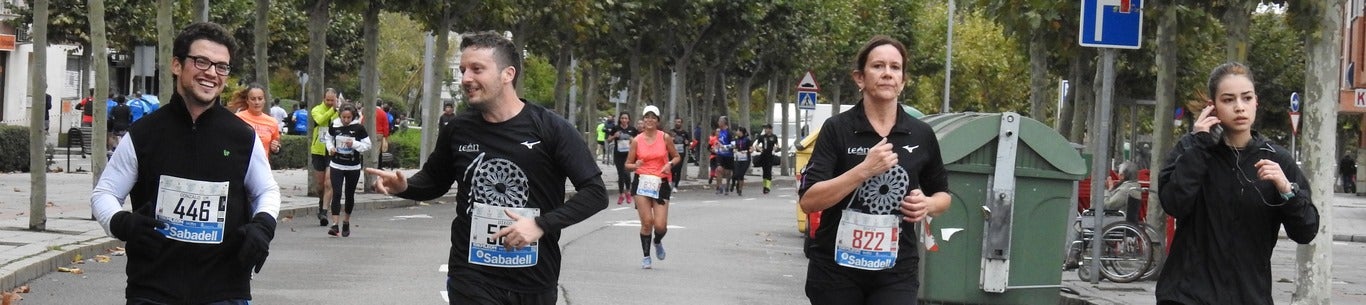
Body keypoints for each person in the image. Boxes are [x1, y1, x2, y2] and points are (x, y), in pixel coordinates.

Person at [364, 31, 606, 305]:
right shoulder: (459, 129)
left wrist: (540, 225)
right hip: (472, 275)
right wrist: (406, 186)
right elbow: (435, 180)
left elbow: (595, 193)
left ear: (507, 74)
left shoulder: (550, 128)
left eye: (477, 69)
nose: (466, 78)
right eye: (464, 69)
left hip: (534, 279)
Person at [90, 22, 280, 304]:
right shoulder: (144, 133)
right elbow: (104, 194)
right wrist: (121, 223)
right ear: (177, 65)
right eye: (201, 61)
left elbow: (267, 190)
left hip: (225, 291)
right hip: (153, 289)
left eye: (221, 66)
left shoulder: (241, 136)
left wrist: (263, 225)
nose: (212, 73)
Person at [797, 35, 951, 304]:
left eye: (895, 67)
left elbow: (943, 196)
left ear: (903, 80)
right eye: (878, 66)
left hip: (896, 270)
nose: (887, 74)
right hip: (836, 269)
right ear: (860, 78)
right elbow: (810, 200)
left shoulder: (921, 134)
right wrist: (864, 170)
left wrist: (926, 204)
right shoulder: (837, 129)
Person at [1156, 62, 1319, 305]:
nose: (1239, 107)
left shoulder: (1277, 160)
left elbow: (1306, 231)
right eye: (1228, 99)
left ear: (1256, 102)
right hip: (1186, 295)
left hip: (1249, 296)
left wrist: (1287, 190)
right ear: (1213, 106)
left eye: (1246, 98)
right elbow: (1173, 203)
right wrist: (1200, 144)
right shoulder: (1191, 150)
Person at [624, 105, 680, 269]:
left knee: (661, 226)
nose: (649, 120)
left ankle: (657, 241)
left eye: (653, 117)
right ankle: (646, 256)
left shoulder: (665, 138)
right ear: (643, 120)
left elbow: (676, 156)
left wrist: (669, 164)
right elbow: (627, 164)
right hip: (642, 182)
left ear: (657, 121)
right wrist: (635, 165)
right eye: (647, 117)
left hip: (660, 182)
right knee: (647, 222)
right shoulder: (636, 140)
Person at [323, 103, 371, 237]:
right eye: (343, 117)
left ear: (353, 116)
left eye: (348, 117)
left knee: (349, 194)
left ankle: (346, 222)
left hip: (353, 166)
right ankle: (334, 224)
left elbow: (368, 145)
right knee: (336, 193)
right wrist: (330, 148)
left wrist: (354, 144)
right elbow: (328, 138)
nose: (346, 120)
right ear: (340, 116)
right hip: (337, 164)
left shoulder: (358, 128)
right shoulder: (334, 125)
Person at [310, 88, 341, 226]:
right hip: (318, 150)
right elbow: (320, 120)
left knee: (329, 183)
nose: (329, 102)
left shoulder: (339, 113)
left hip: (332, 151)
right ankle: (321, 203)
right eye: (327, 100)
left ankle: (324, 211)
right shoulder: (316, 110)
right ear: (323, 99)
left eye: (332, 100)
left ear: (336, 100)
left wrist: (338, 111)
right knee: (320, 185)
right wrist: (332, 110)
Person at [230, 84, 282, 159]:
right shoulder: (237, 118)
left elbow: (276, 146)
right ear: (247, 100)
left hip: (262, 167)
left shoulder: (272, 122)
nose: (257, 102)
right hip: (241, 165)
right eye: (253, 99)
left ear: (264, 100)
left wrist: (276, 149)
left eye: (260, 98)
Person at [608, 112, 639, 205]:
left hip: (628, 155)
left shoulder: (632, 129)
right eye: (622, 118)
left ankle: (628, 192)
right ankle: (621, 194)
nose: (624, 120)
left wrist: (632, 140)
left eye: (626, 118)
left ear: (629, 120)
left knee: (627, 174)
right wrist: (614, 136)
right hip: (618, 155)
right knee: (620, 175)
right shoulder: (615, 128)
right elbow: (609, 139)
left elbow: (638, 142)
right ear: (620, 119)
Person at [755, 124, 781, 194]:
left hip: (770, 155)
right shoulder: (762, 137)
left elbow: (777, 145)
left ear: (770, 129)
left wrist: (776, 148)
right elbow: (757, 145)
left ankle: (768, 187)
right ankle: (764, 186)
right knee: (764, 171)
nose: (766, 130)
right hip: (763, 155)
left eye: (768, 128)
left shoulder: (774, 137)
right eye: (765, 129)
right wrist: (759, 148)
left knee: (769, 171)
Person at [712, 116, 734, 195]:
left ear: (724, 122)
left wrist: (724, 146)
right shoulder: (719, 132)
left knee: (728, 172)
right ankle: (719, 186)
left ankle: (727, 186)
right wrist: (716, 147)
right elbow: (719, 141)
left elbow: (733, 145)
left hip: (728, 155)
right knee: (719, 169)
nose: (718, 122)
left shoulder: (729, 132)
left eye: (720, 121)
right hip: (720, 154)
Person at [729, 126, 752, 196]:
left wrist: (747, 151)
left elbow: (751, 149)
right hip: (737, 158)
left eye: (738, 131)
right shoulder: (735, 139)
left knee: (741, 174)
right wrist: (734, 149)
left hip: (745, 159)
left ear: (741, 132)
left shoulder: (747, 140)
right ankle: (733, 183)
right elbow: (732, 147)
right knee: (735, 174)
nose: (737, 132)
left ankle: (740, 189)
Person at [670, 117, 691, 189]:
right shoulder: (671, 131)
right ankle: (672, 183)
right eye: (676, 122)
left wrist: (687, 143)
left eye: (679, 122)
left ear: (681, 123)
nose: (677, 123)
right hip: (672, 153)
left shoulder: (685, 133)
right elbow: (667, 141)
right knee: (672, 168)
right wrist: (671, 140)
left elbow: (688, 142)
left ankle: (676, 186)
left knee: (678, 169)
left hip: (681, 153)